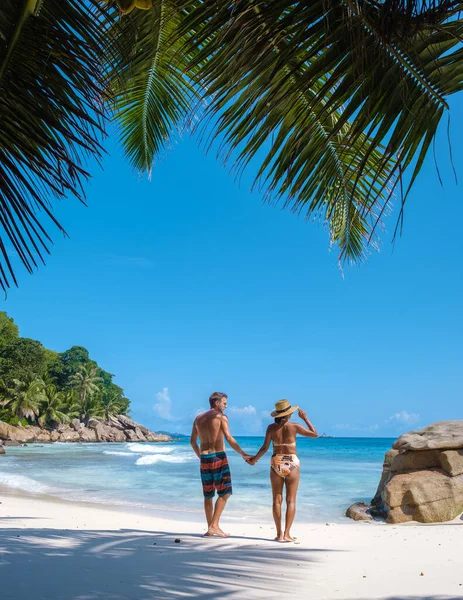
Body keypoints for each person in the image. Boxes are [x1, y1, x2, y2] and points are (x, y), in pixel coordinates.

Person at [247, 399, 318, 542]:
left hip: (276, 462)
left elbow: (264, 448)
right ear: (288, 414)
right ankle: (287, 534)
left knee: (276, 500)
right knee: (291, 500)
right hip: (292, 462)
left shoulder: (271, 428)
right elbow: (315, 434)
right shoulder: (295, 427)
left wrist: (254, 460)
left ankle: (279, 534)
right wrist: (305, 418)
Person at [190, 391, 251, 537]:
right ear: (217, 403)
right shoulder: (221, 417)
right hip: (218, 457)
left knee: (208, 495)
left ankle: (210, 528)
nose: (226, 406)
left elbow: (192, 441)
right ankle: (215, 525)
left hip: (204, 458)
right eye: (224, 403)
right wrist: (243, 454)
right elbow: (229, 438)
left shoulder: (198, 419)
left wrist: (201, 457)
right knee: (225, 492)